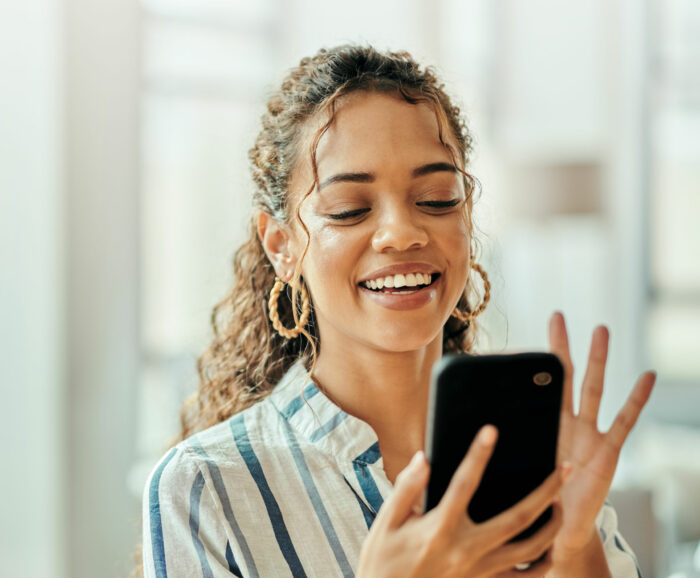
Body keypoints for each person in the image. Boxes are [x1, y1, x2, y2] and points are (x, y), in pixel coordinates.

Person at [138, 44, 656, 577]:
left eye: (436, 199)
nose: (402, 233)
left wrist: (574, 552)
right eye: (349, 210)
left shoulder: (538, 461)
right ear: (281, 245)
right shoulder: (209, 487)